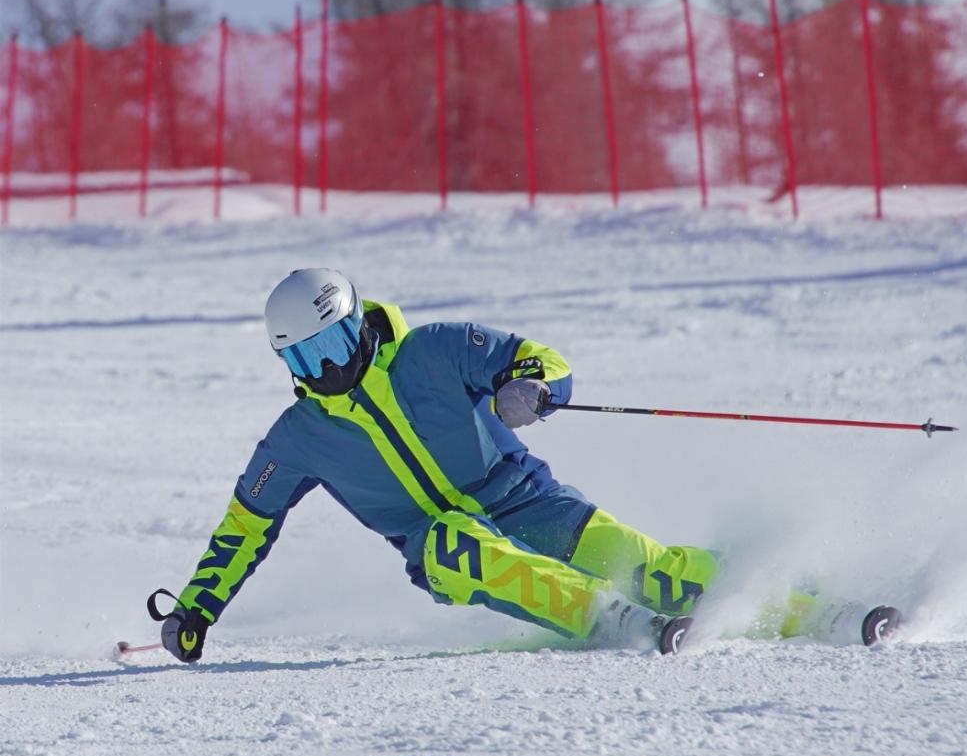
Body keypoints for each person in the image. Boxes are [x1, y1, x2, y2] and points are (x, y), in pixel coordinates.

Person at [151, 268, 722, 662]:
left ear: (356, 322)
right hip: (436, 544)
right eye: (306, 357)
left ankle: (787, 600)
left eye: (333, 344)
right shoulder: (299, 438)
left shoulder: (436, 350)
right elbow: (244, 526)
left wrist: (532, 386)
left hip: (524, 498)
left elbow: (542, 359)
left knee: (654, 570)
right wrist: (197, 608)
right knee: (467, 546)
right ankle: (611, 618)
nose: (327, 368)